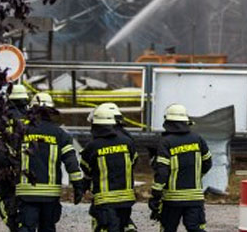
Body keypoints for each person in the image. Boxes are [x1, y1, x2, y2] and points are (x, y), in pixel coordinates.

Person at [15, 92, 85, 232]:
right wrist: (78, 186)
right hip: (50, 195)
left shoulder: (20, 131)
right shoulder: (60, 134)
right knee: (48, 228)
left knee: (26, 228)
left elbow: (7, 158)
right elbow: (71, 163)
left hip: (26, 193)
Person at [150, 103, 211, 232]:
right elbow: (208, 163)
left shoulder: (166, 142)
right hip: (195, 198)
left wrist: (155, 194)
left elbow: (162, 172)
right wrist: (195, 176)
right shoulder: (198, 139)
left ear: (168, 122)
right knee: (195, 228)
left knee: (168, 228)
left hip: (172, 200)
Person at [78, 103, 137, 232]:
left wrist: (82, 187)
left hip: (104, 198)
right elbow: (134, 161)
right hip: (127, 197)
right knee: (122, 222)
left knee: (104, 225)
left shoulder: (92, 146)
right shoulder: (128, 141)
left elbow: (86, 168)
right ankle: (128, 226)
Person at [0, 83, 30, 231]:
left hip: (7, 167)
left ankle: (13, 225)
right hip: (28, 168)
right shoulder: (33, 120)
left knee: (3, 196)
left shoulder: (1, 120)